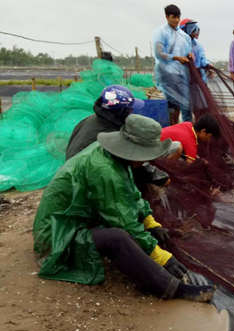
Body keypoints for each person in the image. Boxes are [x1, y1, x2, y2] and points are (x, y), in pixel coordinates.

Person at [33, 115, 214, 302]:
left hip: (75, 219)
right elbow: (124, 221)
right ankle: (171, 288)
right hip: (58, 235)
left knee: (135, 234)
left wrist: (151, 224)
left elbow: (131, 194)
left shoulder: (114, 157)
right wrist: (161, 258)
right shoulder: (104, 171)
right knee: (119, 238)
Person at [65, 85, 176, 186]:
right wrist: (161, 178)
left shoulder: (89, 119)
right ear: (120, 111)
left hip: (71, 170)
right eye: (129, 110)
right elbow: (134, 159)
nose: (131, 113)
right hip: (84, 180)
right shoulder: (110, 134)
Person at [152, 4, 193, 125]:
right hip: (167, 73)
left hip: (180, 73)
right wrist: (176, 58)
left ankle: (178, 126)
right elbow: (159, 53)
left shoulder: (184, 36)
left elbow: (187, 51)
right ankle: (172, 126)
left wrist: (189, 55)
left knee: (180, 102)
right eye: (173, 17)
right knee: (171, 102)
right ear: (166, 17)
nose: (175, 20)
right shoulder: (160, 32)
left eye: (178, 17)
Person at [179, 19, 213, 84]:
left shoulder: (197, 44)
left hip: (198, 77)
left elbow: (202, 59)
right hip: (185, 79)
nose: (194, 32)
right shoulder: (180, 43)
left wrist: (208, 65)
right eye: (192, 29)